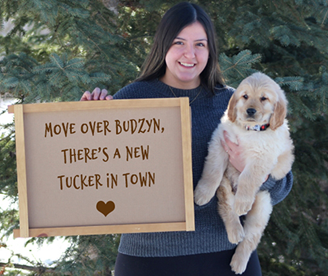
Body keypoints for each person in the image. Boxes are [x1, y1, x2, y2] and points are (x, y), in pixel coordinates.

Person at [81, 2, 293, 275]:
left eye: (200, 44)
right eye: (179, 42)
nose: (189, 54)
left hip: (227, 257)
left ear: (210, 50)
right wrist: (85, 125)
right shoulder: (130, 99)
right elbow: (93, 176)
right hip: (148, 260)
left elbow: (282, 186)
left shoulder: (234, 104)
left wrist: (251, 171)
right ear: (163, 45)